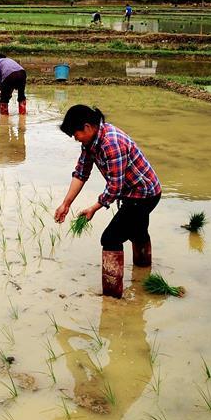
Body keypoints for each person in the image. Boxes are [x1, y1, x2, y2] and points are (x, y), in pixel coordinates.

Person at [54, 105, 161, 298]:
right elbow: (81, 173)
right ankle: (144, 277)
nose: (74, 137)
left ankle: (112, 298)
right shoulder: (90, 143)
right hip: (133, 194)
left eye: (75, 133)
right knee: (137, 230)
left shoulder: (111, 143)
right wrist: (66, 204)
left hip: (144, 195)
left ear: (87, 127)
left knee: (110, 238)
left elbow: (115, 186)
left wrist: (94, 208)